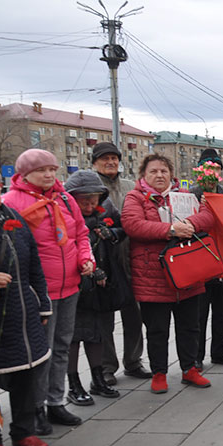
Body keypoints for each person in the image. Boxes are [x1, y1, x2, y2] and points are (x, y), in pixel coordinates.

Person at [3, 149, 94, 435]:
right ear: (25, 173)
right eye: (42, 170)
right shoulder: (12, 201)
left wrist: (85, 258)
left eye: (53, 169)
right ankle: (36, 407)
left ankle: (57, 401)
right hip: (38, 291)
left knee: (63, 345)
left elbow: (80, 233)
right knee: (41, 351)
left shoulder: (64, 198)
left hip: (70, 285)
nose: (49, 175)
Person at [0, 155, 51, 446]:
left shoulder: (13, 217)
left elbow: (34, 265)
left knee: (27, 373)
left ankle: (23, 430)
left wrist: (42, 304)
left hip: (24, 310)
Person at [122, 154, 215, 393]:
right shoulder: (135, 197)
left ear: (171, 174)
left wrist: (191, 225)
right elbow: (133, 225)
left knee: (190, 326)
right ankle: (159, 373)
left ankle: (189, 369)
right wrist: (171, 229)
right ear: (144, 175)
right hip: (153, 276)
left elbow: (207, 216)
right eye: (153, 171)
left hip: (187, 272)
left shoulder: (182, 196)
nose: (159, 175)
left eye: (164, 171)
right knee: (157, 329)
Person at [64, 170, 128, 403]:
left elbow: (122, 230)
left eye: (94, 201)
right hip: (77, 287)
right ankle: (73, 383)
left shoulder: (106, 210)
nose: (90, 206)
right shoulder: (65, 218)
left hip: (103, 283)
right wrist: (90, 272)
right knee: (74, 336)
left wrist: (111, 233)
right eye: (84, 202)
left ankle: (98, 378)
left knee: (99, 334)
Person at [90, 142, 149, 383]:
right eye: (105, 158)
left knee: (134, 314)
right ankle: (106, 367)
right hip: (101, 258)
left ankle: (133, 361)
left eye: (114, 158)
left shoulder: (130, 187)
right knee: (104, 317)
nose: (111, 162)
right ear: (94, 162)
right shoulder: (89, 187)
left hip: (129, 256)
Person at [189, 148, 223, 368]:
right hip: (199, 259)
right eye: (209, 168)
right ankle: (196, 356)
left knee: (222, 310)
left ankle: (219, 351)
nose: (214, 172)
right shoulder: (191, 194)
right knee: (199, 313)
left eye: (217, 168)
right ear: (201, 171)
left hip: (222, 259)